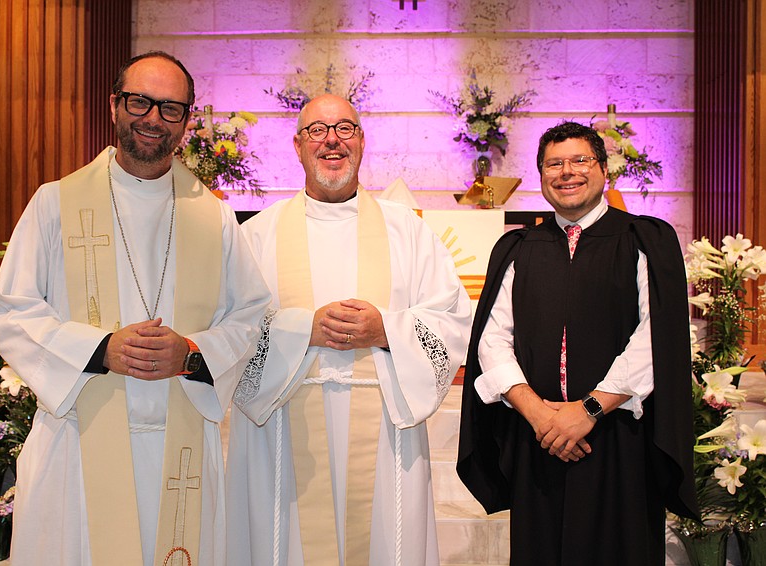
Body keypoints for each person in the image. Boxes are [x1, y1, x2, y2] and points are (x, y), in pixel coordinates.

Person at [0, 51, 271, 566]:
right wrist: (99, 350)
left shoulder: (215, 218)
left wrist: (190, 352)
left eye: (170, 108)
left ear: (187, 120)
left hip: (180, 447)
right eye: (140, 101)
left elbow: (251, 315)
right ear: (114, 105)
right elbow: (9, 309)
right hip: (78, 438)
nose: (153, 118)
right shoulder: (54, 204)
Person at [226, 93, 472, 566]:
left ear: (362, 142)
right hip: (282, 429)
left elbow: (451, 318)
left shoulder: (410, 233)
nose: (332, 140)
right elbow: (229, 330)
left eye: (345, 128)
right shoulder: (255, 235)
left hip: (384, 431)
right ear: (297, 146)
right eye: (317, 130)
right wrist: (303, 330)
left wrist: (386, 330)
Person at [456, 121, 698, 565]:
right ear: (541, 176)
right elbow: (491, 340)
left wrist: (587, 410)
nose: (567, 171)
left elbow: (656, 338)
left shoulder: (644, 240)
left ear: (603, 170)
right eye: (554, 163)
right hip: (539, 439)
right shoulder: (519, 247)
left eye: (580, 160)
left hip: (617, 436)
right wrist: (541, 415)